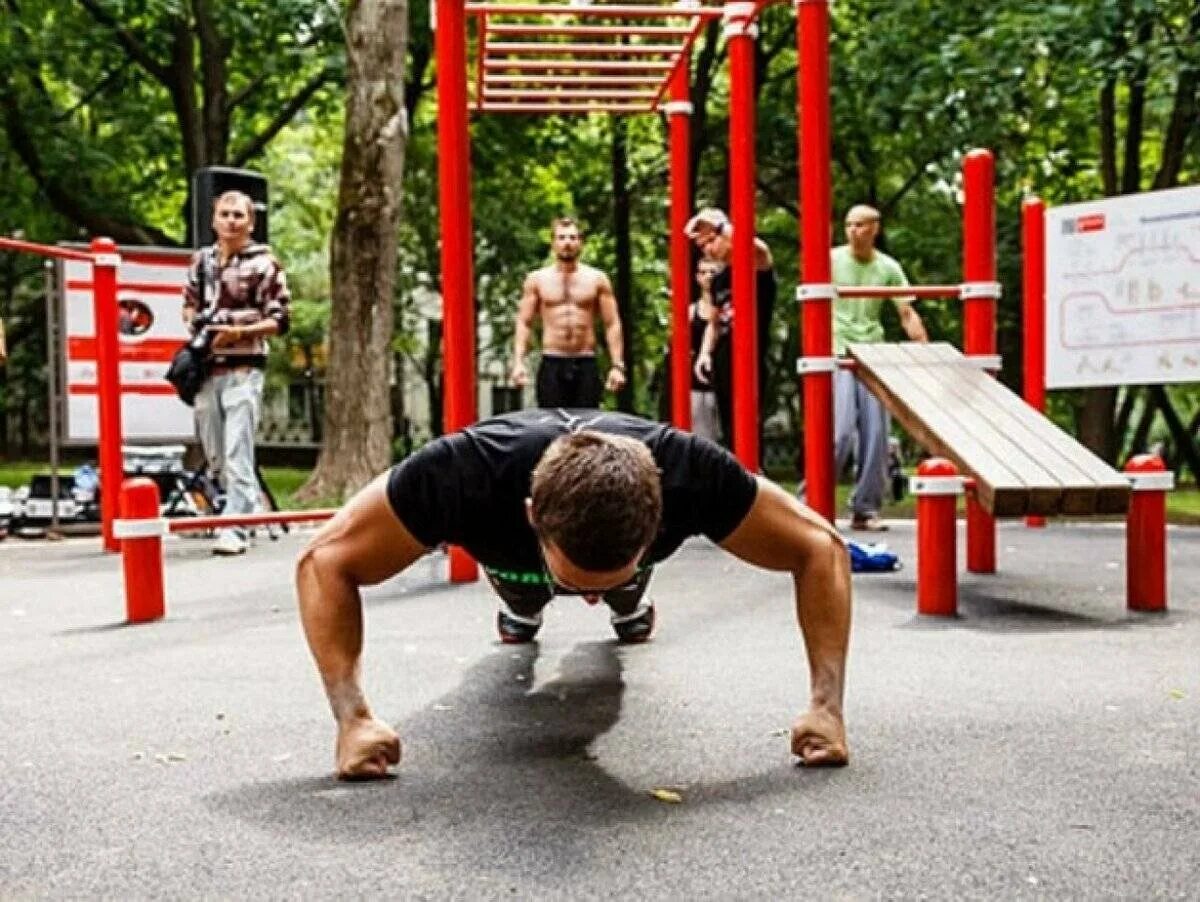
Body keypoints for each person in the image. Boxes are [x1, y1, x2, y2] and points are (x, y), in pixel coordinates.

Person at [295, 408, 851, 779]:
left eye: (595, 586)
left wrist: (827, 708)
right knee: (524, 599)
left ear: (660, 520)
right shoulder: (464, 472)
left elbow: (819, 546)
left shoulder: (690, 473)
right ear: (532, 516)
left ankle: (627, 598)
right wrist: (353, 718)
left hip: (624, 565)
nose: (583, 599)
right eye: (578, 583)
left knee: (624, 598)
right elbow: (325, 561)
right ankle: (527, 601)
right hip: (516, 562)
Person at [182, 191, 290, 556]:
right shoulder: (202, 262)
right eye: (224, 214)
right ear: (213, 220)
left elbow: (279, 319)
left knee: (236, 447)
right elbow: (189, 304)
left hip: (245, 367)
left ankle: (236, 526)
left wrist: (240, 333)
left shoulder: (264, 264)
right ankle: (245, 505)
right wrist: (197, 331)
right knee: (214, 451)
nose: (230, 221)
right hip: (207, 367)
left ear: (250, 222)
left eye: (238, 215)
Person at [832, 205, 927, 532]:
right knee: (840, 433)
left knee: (877, 435)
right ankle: (810, 499)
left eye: (860, 225)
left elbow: (907, 313)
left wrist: (923, 350)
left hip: (873, 354)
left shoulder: (887, 267)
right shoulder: (831, 260)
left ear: (874, 228)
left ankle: (865, 508)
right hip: (837, 353)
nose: (853, 231)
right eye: (848, 225)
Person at [684, 208, 777, 459]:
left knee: (749, 426)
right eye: (703, 246)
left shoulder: (755, 268)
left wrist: (722, 226)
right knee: (729, 429)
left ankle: (756, 476)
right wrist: (704, 354)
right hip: (724, 360)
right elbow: (714, 322)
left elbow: (758, 248)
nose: (709, 249)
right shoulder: (719, 280)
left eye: (712, 240)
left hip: (751, 359)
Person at [511, 218, 626, 408]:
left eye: (572, 237)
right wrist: (518, 362)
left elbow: (612, 323)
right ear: (553, 243)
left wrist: (617, 366)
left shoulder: (597, 279)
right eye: (562, 237)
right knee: (551, 426)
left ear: (580, 242)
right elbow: (524, 321)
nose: (567, 242)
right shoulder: (537, 279)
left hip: (586, 360)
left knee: (586, 428)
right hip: (552, 361)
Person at [688, 258, 726, 443]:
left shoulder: (727, 309)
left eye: (713, 272)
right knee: (702, 435)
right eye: (703, 272)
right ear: (697, 277)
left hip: (724, 374)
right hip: (698, 383)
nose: (708, 277)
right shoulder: (690, 312)